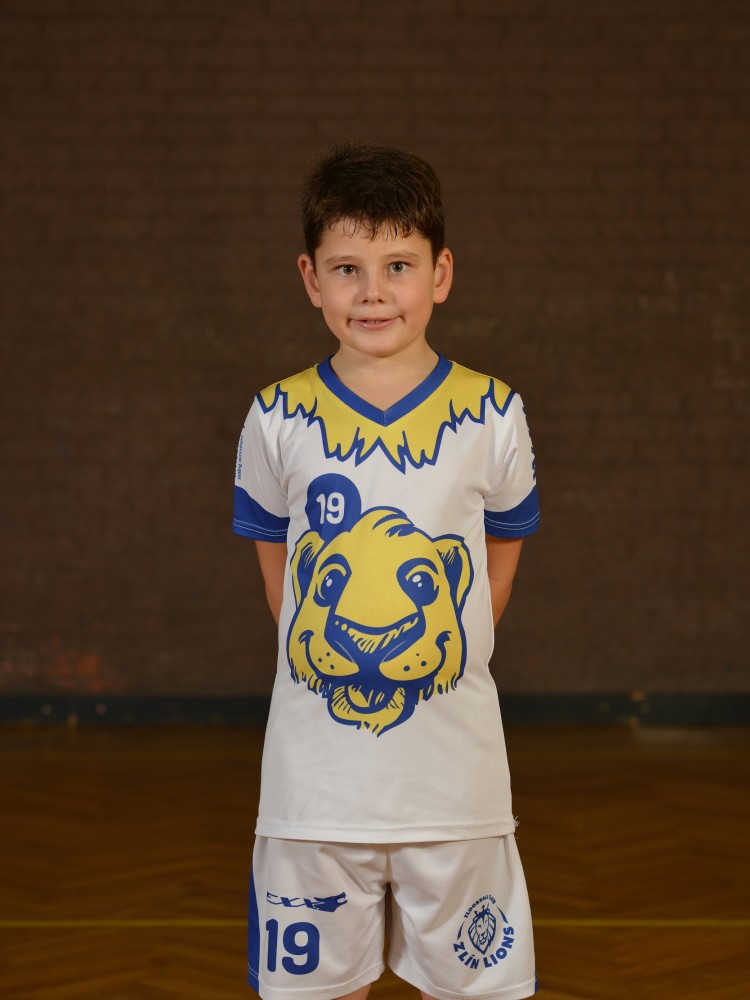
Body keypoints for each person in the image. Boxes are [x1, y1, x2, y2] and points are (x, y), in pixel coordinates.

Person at [233, 141, 540, 1000]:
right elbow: (284, 585)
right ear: (311, 278)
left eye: (398, 266)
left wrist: (435, 650)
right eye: (348, 269)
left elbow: (493, 571)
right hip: (314, 790)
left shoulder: (494, 412)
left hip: (456, 785)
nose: (372, 293)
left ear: (441, 274)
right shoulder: (276, 416)